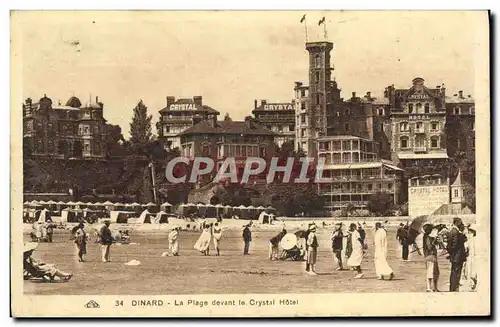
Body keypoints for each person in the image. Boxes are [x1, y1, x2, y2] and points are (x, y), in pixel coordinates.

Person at [447, 217, 467, 292]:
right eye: (460, 223)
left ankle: (453, 288)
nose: (461, 224)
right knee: (456, 273)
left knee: (453, 272)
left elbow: (449, 245)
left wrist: (450, 253)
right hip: (457, 256)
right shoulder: (456, 232)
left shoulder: (453, 231)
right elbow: (454, 245)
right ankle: (454, 288)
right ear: (457, 223)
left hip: (455, 256)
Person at [423, 224, 440, 292]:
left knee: (435, 272)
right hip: (430, 256)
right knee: (431, 272)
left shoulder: (428, 237)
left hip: (431, 256)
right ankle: (429, 287)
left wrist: (436, 240)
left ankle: (434, 288)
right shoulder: (427, 237)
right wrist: (434, 240)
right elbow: (429, 247)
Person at [466, 224, 477, 290]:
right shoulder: (469, 239)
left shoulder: (475, 239)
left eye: (470, 231)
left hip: (475, 257)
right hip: (470, 256)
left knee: (474, 271)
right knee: (470, 271)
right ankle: (472, 284)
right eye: (469, 231)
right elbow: (465, 247)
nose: (469, 232)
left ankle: (474, 282)